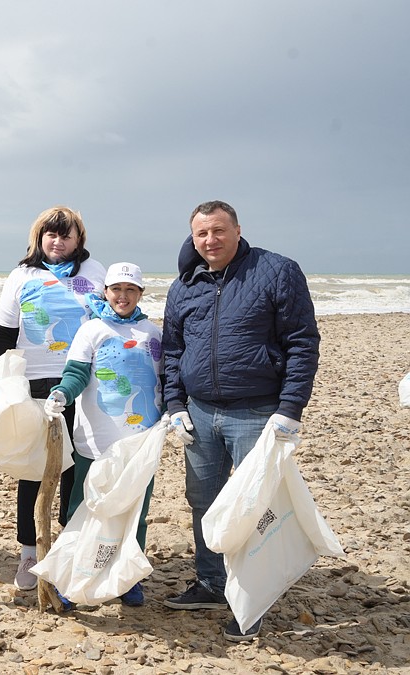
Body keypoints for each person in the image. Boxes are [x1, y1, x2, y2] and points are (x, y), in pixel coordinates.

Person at [161, 200, 319, 641]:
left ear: (237, 230)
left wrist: (290, 409)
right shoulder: (183, 286)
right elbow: (173, 354)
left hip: (256, 411)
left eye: (218, 231)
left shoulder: (277, 271)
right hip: (198, 412)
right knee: (204, 503)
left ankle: (252, 598)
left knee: (255, 508)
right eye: (201, 234)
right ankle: (212, 583)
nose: (210, 240)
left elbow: (303, 343)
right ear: (192, 238)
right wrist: (175, 406)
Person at [0, 206, 105, 591]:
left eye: (66, 235)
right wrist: (5, 384)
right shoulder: (22, 276)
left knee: (77, 466)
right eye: (51, 235)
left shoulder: (95, 274)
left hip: (84, 380)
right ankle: (28, 552)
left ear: (79, 240)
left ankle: (68, 548)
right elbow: (5, 333)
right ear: (39, 238)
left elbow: (110, 321)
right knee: (34, 468)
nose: (58, 241)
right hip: (35, 381)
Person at [43, 262, 162, 607]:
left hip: (140, 441)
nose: (122, 296)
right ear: (105, 292)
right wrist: (62, 393)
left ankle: (127, 579)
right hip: (94, 441)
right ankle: (71, 580)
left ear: (140, 294)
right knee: (83, 509)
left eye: (130, 290)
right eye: (116, 289)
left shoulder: (152, 333)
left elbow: (165, 382)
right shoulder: (91, 330)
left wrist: (173, 412)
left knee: (134, 511)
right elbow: (76, 374)